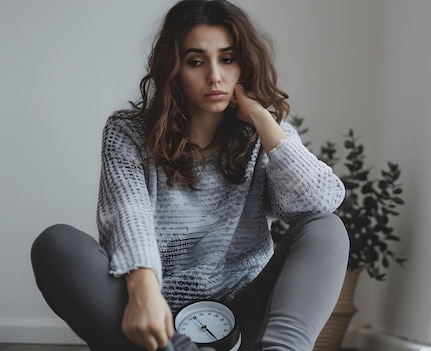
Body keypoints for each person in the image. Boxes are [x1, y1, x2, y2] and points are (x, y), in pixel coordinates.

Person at [30, 1, 349, 350]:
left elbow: (321, 202)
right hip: (156, 318)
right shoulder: (128, 134)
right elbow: (128, 215)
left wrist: (261, 118)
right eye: (196, 61)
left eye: (227, 59)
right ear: (174, 69)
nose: (215, 75)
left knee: (326, 227)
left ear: (245, 63)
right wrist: (144, 293)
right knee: (56, 244)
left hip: (246, 312)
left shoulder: (268, 135)